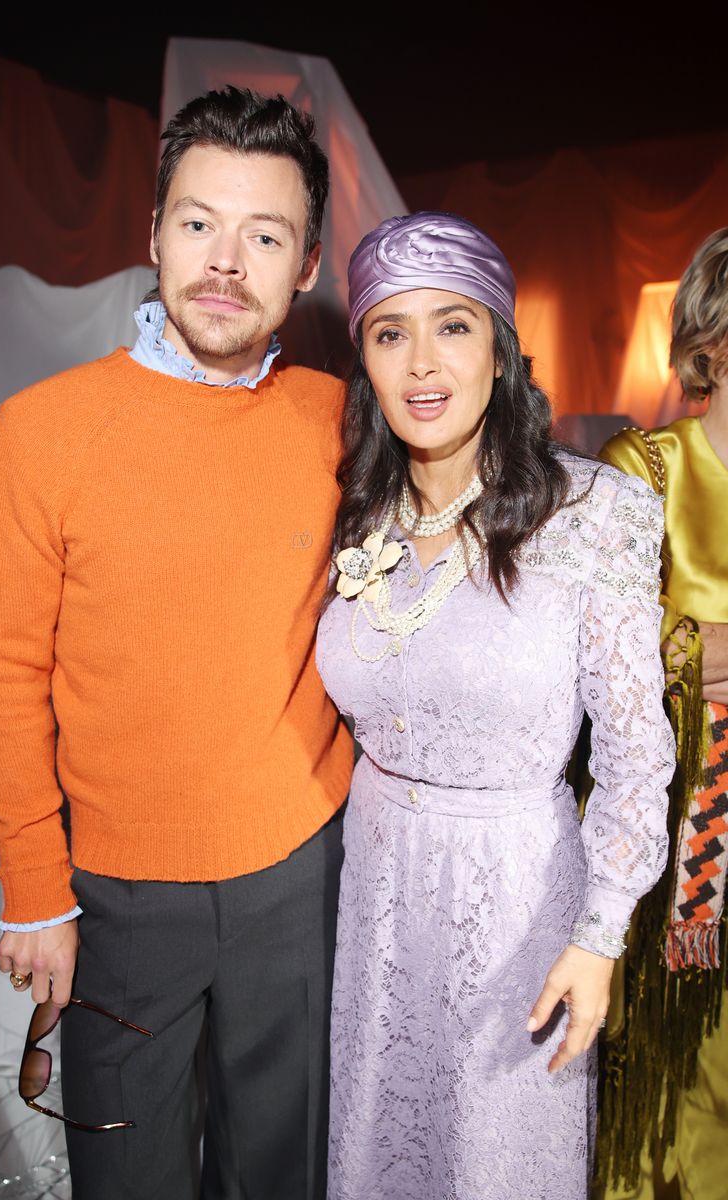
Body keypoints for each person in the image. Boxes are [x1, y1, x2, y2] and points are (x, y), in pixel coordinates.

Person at [0, 86, 354, 1200]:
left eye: (263, 235)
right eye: (197, 223)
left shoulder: (338, 418)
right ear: (151, 235)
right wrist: (35, 885)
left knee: (282, 1174)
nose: (224, 261)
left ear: (308, 264)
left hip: (298, 871)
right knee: (124, 1173)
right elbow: (2, 668)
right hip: (114, 889)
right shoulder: (43, 429)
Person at [315, 211, 676, 1200]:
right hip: (375, 897)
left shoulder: (592, 511)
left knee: (498, 1163)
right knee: (379, 1155)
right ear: (366, 361)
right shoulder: (355, 513)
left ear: (502, 349)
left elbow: (636, 755)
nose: (422, 362)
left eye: (453, 326)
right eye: (390, 332)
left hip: (519, 903)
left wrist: (597, 937)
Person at [599, 228, 728, 1200]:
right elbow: (616, 647)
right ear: (710, 336)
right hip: (686, 853)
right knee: (674, 1103)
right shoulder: (643, 466)